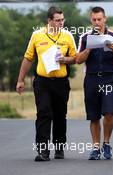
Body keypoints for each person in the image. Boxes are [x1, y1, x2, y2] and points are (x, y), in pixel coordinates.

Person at [16, 6, 77, 161]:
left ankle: (59, 148)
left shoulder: (68, 36)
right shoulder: (37, 35)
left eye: (62, 20)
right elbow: (28, 58)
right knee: (43, 114)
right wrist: (20, 80)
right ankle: (43, 151)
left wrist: (65, 59)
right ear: (49, 20)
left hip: (61, 82)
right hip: (42, 82)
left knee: (60, 115)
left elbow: (75, 58)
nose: (61, 23)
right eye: (57, 20)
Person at [75, 6, 113, 160]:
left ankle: (107, 143)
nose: (97, 22)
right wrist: (89, 47)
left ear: (105, 19)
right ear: (91, 20)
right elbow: (78, 60)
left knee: (110, 113)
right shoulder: (85, 37)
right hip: (91, 78)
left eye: (99, 19)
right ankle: (96, 147)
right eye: (94, 20)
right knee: (94, 115)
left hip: (109, 77)